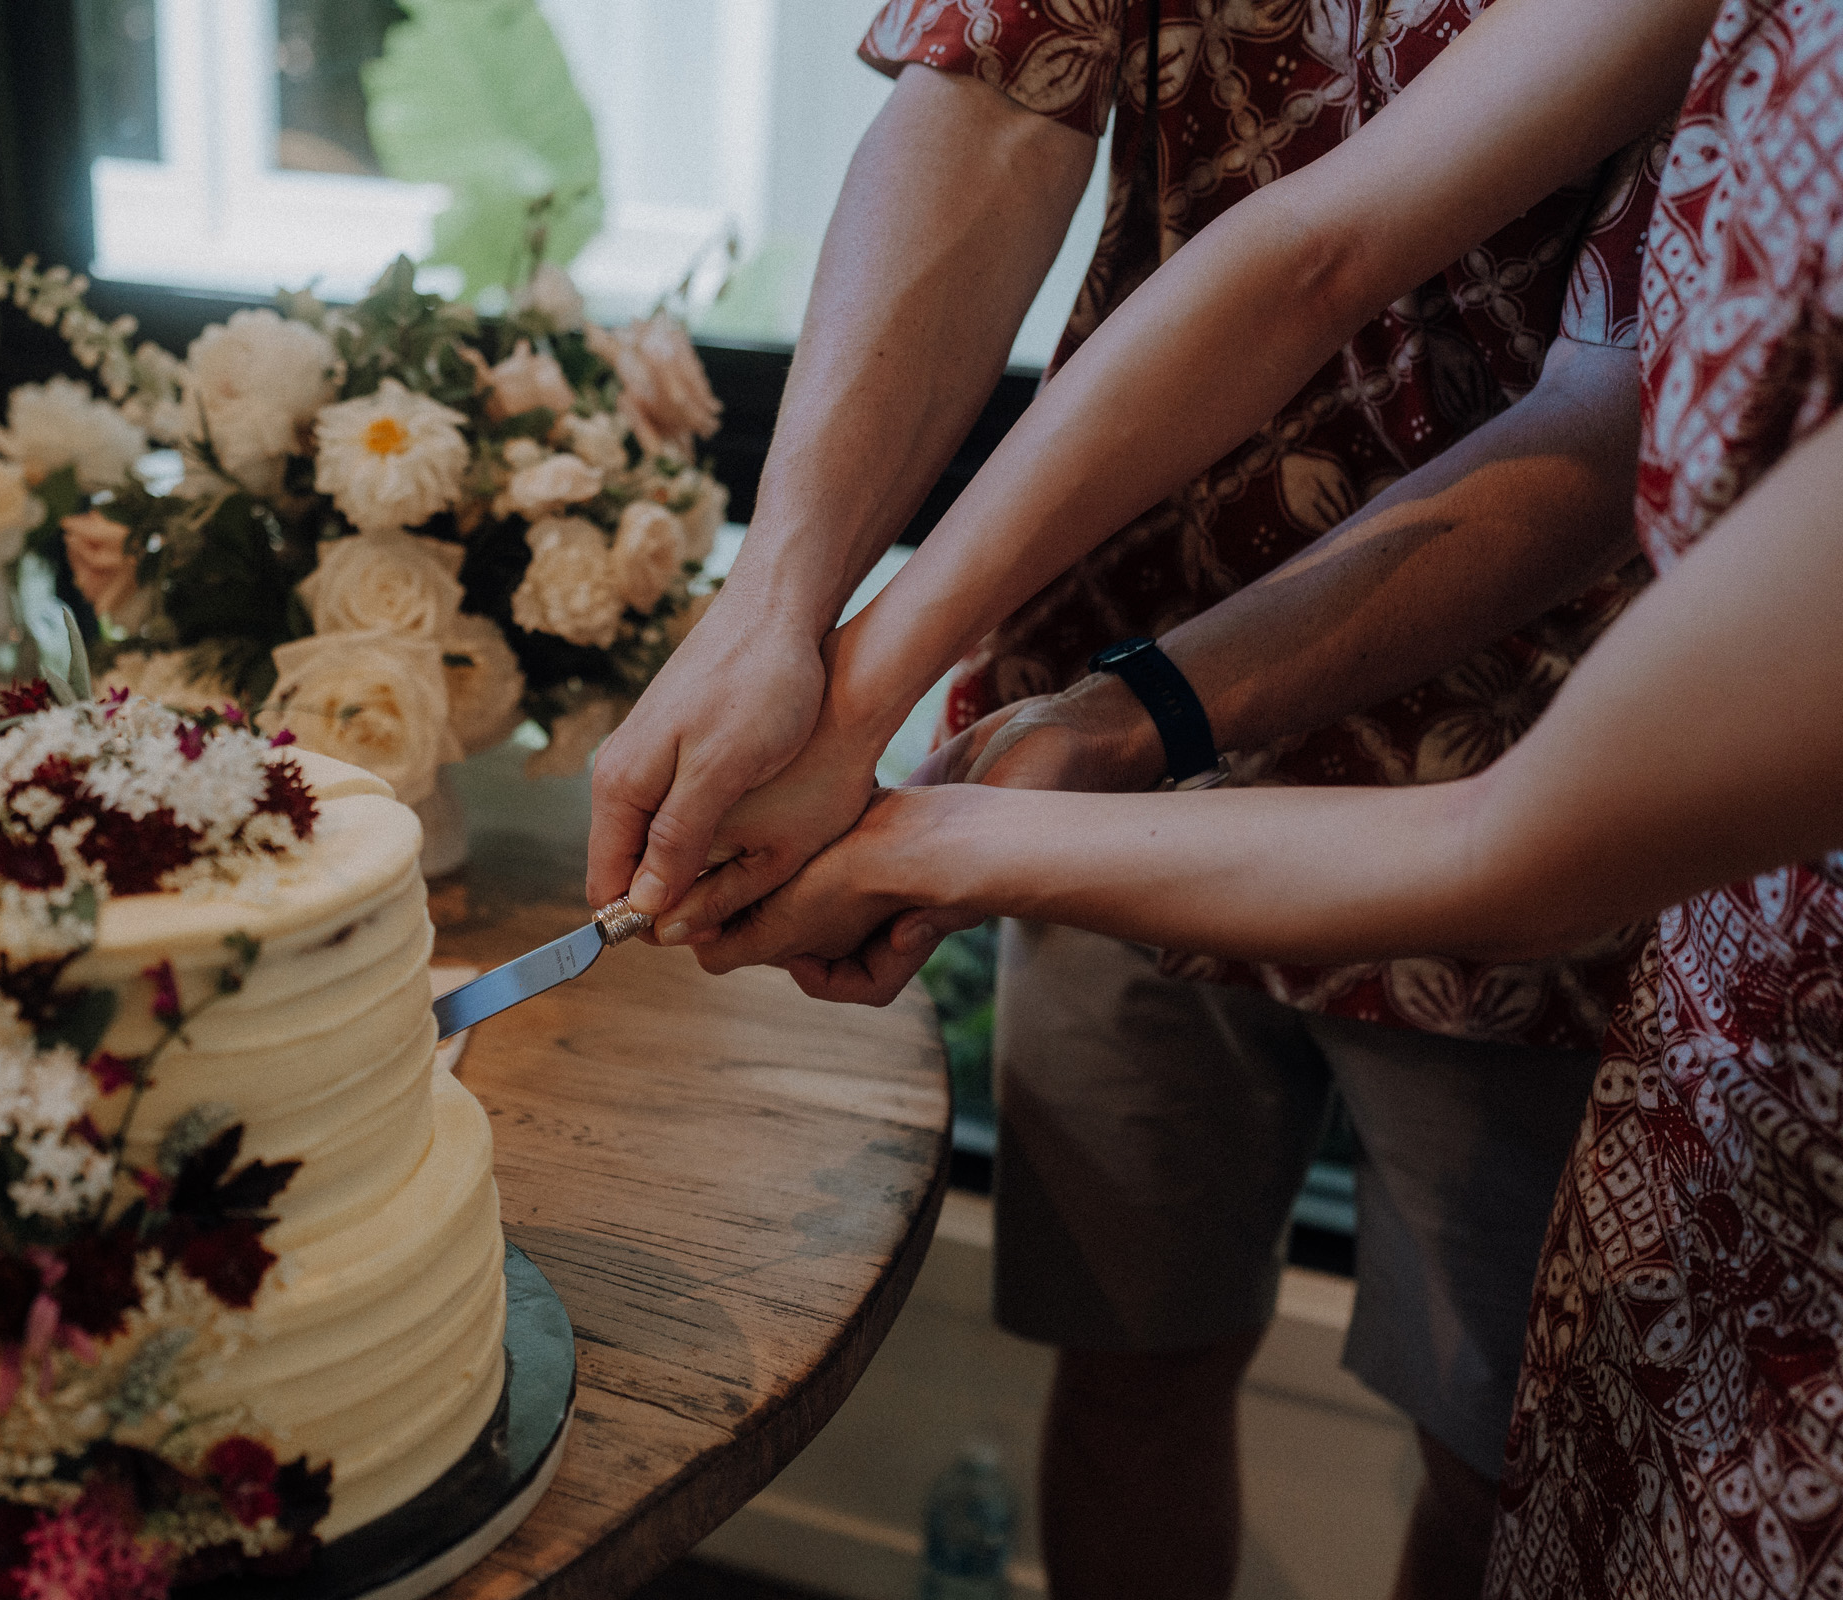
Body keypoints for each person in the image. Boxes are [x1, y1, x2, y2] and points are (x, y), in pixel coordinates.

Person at [710, 0, 1843, 1591]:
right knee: (1130, 1350)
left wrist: (945, 816)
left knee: (1500, 1451)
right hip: (1112, 652)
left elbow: (1517, 832)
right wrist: (822, 642)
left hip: (1587, 770)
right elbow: (1303, 232)